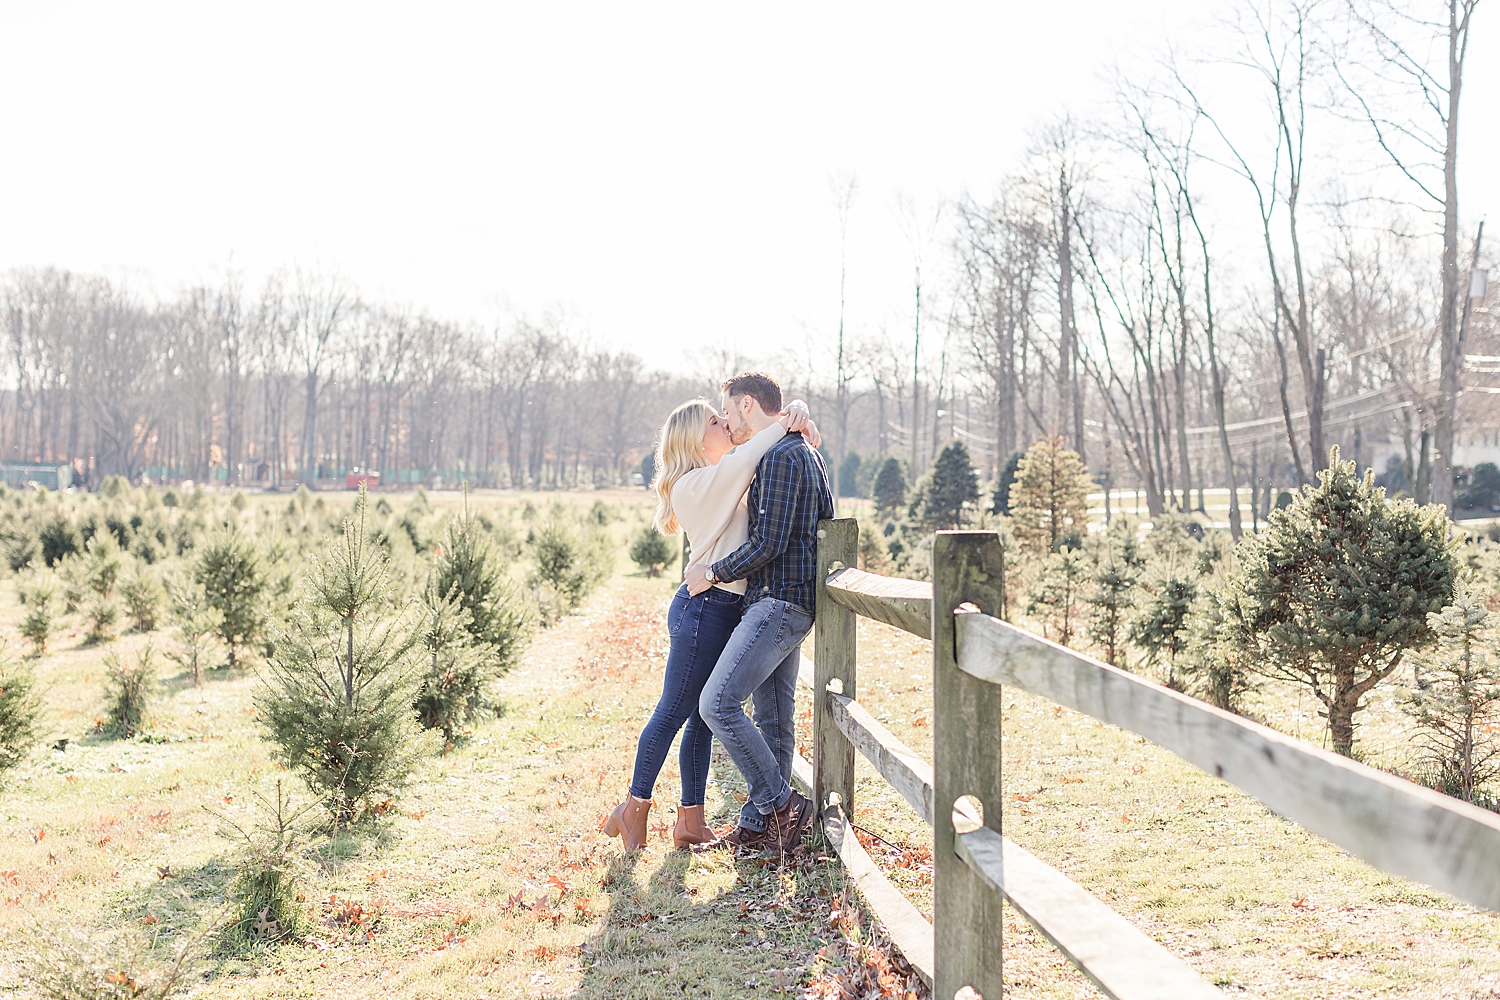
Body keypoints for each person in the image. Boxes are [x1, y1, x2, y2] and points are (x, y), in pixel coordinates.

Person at [602, 395, 820, 851]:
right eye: (716, 421)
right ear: (694, 440)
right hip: (703, 608)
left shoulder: (724, 479)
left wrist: (796, 415)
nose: (726, 424)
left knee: (703, 720)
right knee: (674, 712)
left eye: (725, 417)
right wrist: (787, 420)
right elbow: (744, 458)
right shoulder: (695, 484)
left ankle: (691, 821)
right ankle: (633, 807)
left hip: (727, 608)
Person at [686, 371, 834, 854]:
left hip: (778, 602)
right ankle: (759, 825)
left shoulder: (782, 456)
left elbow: (767, 543)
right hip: (788, 601)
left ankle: (781, 802)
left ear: (748, 405)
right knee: (772, 717)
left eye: (728, 411)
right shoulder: (802, 450)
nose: (727, 422)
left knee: (717, 703)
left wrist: (712, 570)